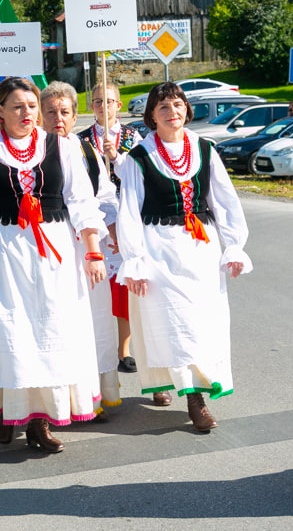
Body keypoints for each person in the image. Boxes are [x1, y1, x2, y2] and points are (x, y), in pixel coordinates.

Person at [0, 77, 107, 453]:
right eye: (17, 106)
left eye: (31, 105)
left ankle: (39, 422)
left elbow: (81, 202)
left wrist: (93, 251)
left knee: (49, 335)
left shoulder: (62, 146)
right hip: (0, 257)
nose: (27, 113)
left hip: (54, 256)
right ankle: (7, 409)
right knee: (9, 337)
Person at [114, 82, 252, 432]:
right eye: (163, 107)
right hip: (159, 249)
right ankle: (183, 390)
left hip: (201, 248)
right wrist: (135, 260)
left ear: (187, 110)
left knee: (202, 322)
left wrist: (234, 244)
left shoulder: (206, 149)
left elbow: (224, 200)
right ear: (151, 116)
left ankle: (196, 390)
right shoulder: (138, 158)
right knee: (171, 324)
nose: (172, 112)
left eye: (177, 105)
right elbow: (129, 210)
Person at [40, 81, 121, 421]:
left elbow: (105, 197)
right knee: (59, 322)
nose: (58, 118)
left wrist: (113, 237)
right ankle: (62, 396)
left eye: (65, 112)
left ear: (75, 116)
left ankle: (97, 394)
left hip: (89, 248)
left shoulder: (87, 151)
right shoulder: (35, 152)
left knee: (96, 320)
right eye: (51, 112)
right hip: (52, 251)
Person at [77, 82, 143, 376]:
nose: (104, 107)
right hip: (95, 217)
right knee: (99, 286)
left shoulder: (133, 136)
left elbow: (141, 173)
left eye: (110, 101)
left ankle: (125, 349)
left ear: (119, 105)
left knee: (126, 286)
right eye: (98, 101)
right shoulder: (80, 140)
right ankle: (98, 348)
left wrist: (117, 156)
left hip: (127, 212)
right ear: (92, 106)